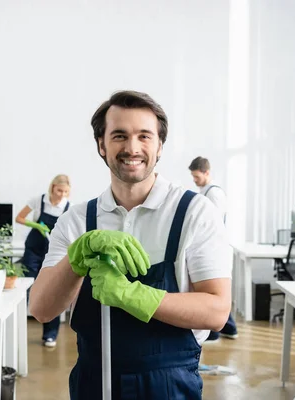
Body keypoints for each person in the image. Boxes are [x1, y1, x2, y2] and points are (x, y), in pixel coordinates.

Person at [28, 90, 232, 399]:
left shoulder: (194, 213)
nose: (132, 148)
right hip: (92, 385)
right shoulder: (77, 220)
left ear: (160, 146)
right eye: (119, 136)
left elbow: (216, 310)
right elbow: (41, 309)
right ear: (101, 144)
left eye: (144, 136)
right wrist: (77, 258)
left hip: (170, 386)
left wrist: (132, 295)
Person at [15, 174, 71, 347]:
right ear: (52, 187)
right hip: (33, 249)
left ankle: (50, 334)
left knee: (51, 290)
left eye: (66, 192)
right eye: (59, 190)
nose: (62, 194)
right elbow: (20, 218)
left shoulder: (68, 207)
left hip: (53, 253)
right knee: (25, 286)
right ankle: (16, 330)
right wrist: (36, 225)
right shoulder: (38, 201)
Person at [188, 156, 238, 341]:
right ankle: (224, 329)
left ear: (206, 172)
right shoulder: (205, 191)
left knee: (213, 292)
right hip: (209, 247)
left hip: (213, 248)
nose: (194, 180)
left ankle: (221, 330)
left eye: (197, 176)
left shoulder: (214, 194)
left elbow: (210, 223)